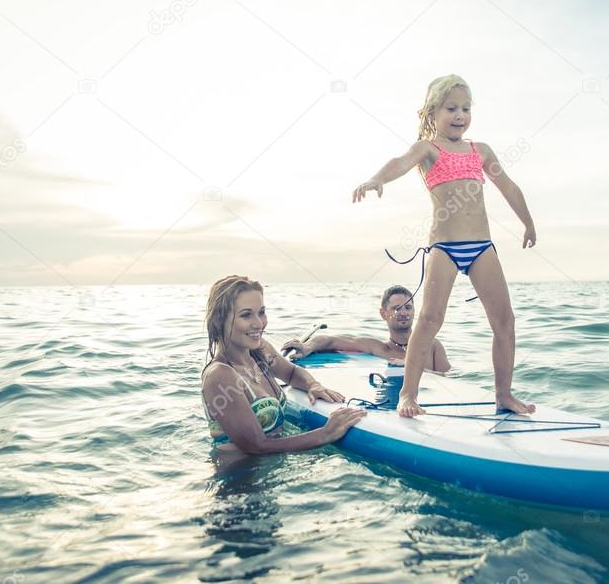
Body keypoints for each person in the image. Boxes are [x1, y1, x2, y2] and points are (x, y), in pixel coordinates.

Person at [352, 74, 537, 418]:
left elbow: (509, 187)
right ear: (432, 111)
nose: (459, 115)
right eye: (451, 108)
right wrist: (377, 179)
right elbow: (399, 163)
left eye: (465, 108)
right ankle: (408, 394)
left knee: (505, 321)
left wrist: (527, 221)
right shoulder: (428, 149)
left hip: (482, 247)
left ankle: (503, 395)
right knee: (430, 319)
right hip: (445, 248)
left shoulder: (480, 151)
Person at [201, 275, 366, 453]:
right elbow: (256, 446)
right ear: (219, 320)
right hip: (241, 478)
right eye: (246, 315)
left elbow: (291, 374)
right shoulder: (220, 375)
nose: (259, 323)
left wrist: (313, 385)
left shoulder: (260, 351)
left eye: (261, 312)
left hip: (273, 471)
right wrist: (325, 434)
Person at [280, 285, 451, 372]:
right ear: (383, 313)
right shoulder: (378, 348)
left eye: (408, 307)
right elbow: (330, 340)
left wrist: (413, 367)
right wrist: (308, 346)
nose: (404, 313)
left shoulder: (432, 346)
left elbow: (451, 380)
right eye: (397, 308)